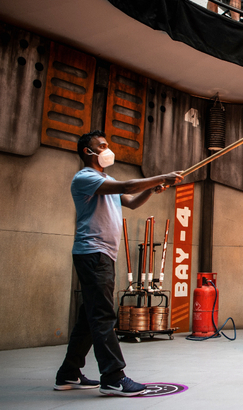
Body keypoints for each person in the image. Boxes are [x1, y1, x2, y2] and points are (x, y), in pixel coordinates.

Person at [54, 131, 183, 396]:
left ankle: (68, 373)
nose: (107, 149)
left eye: (107, 145)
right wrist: (160, 177)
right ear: (87, 152)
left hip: (103, 255)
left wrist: (151, 189)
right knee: (102, 315)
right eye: (101, 146)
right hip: (93, 253)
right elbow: (127, 187)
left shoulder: (107, 179)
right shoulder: (85, 178)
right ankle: (113, 377)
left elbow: (132, 201)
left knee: (89, 317)